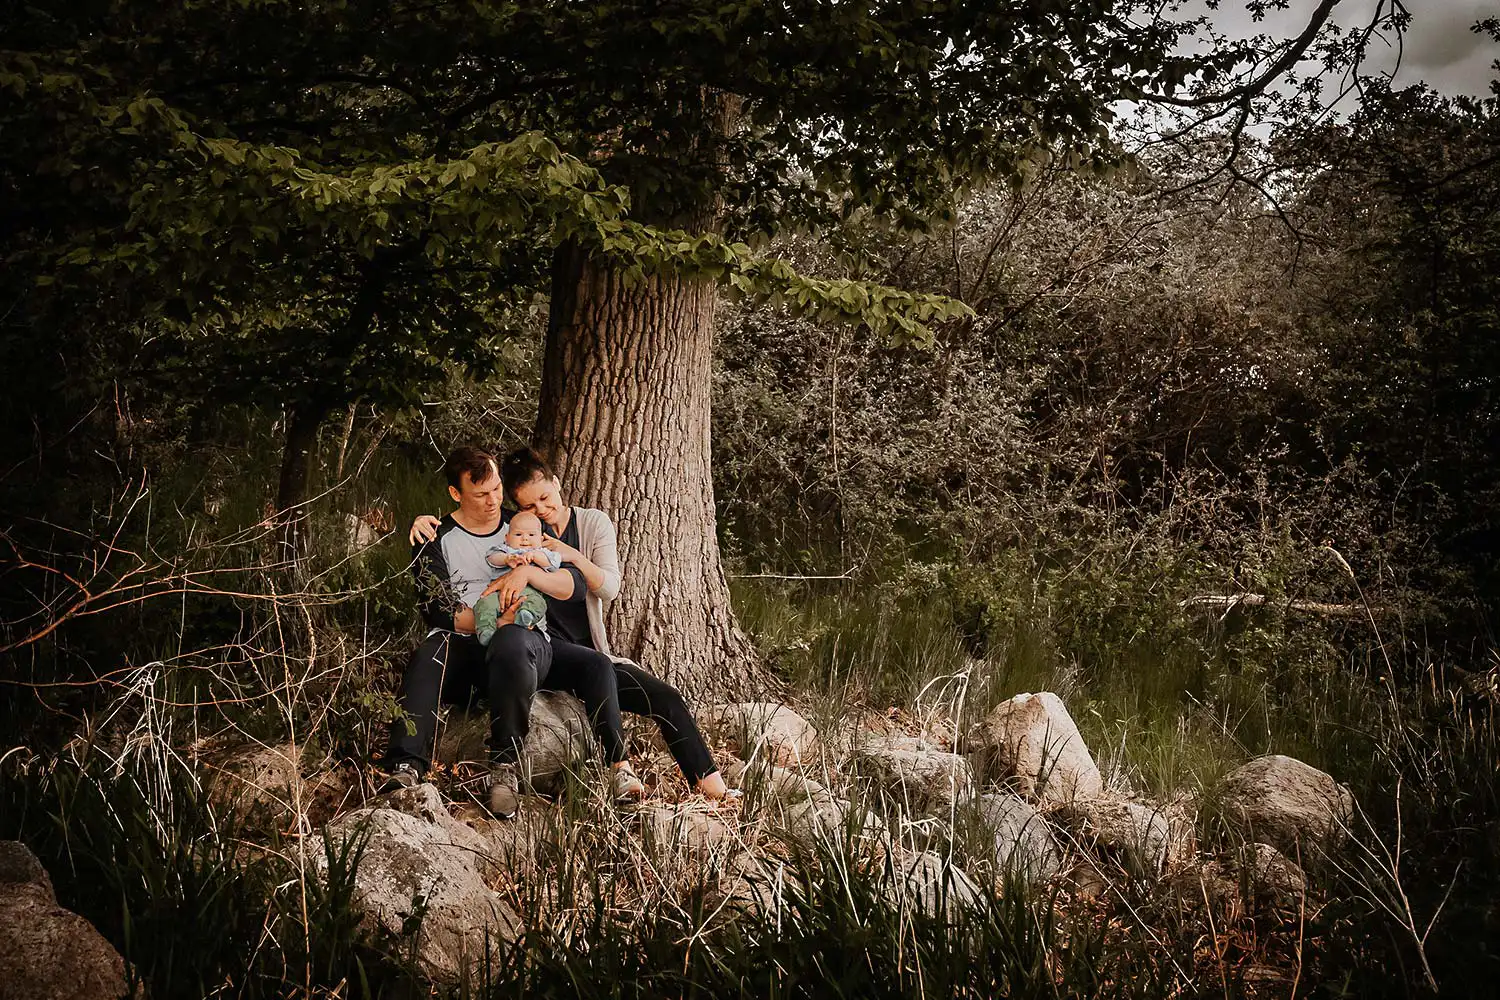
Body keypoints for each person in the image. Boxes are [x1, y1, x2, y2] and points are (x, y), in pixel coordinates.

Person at [409, 446, 732, 801]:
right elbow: (467, 540)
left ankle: (712, 787)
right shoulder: (522, 535)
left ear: (557, 484)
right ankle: (613, 769)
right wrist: (428, 521)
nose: (542, 511)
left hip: (578, 654)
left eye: (545, 499)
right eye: (530, 507)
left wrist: (550, 562)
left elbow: (600, 587)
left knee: (659, 695)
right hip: (540, 648)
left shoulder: (578, 528)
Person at [381, 446, 646, 819]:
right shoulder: (433, 537)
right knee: (430, 651)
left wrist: (526, 577)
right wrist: (494, 614)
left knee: (584, 662)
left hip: (526, 644)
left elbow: (574, 583)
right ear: (456, 494)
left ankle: (505, 769)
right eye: (480, 494)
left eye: (496, 489)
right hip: (469, 648)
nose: (493, 501)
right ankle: (406, 766)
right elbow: (439, 612)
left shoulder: (522, 526)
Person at [473, 511, 559, 643]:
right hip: (499, 594)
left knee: (538, 603)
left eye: (531, 535)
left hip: (529, 594)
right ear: (507, 538)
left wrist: (535, 556)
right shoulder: (505, 550)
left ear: (541, 540)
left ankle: (525, 617)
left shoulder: (542, 552)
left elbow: (553, 564)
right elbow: (491, 558)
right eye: (518, 534)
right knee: (484, 604)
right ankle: (486, 631)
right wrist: (508, 559)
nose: (525, 539)